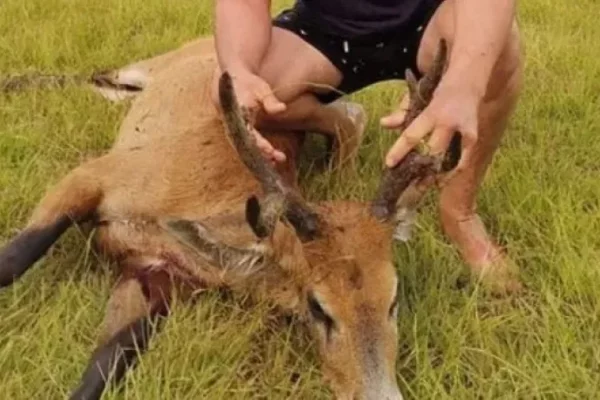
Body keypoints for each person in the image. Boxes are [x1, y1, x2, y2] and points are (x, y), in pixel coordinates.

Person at [210, 0, 524, 291]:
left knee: (498, 52)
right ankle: (337, 124)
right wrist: (238, 68)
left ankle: (459, 212)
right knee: (234, 93)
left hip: (428, 20)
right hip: (326, 29)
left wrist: (463, 84)